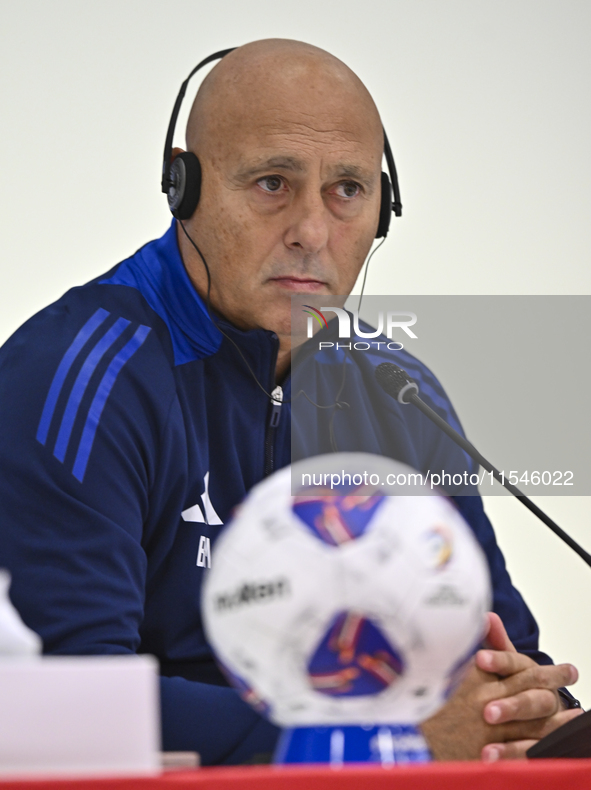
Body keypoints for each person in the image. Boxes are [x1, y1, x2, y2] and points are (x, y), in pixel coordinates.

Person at [0, 39, 581, 765]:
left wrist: (531, 704)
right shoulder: (73, 378)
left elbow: (496, 651)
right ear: (184, 187)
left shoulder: (399, 392)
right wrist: (374, 746)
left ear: (383, 209)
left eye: (347, 190)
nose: (312, 232)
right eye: (273, 183)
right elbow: (58, 705)